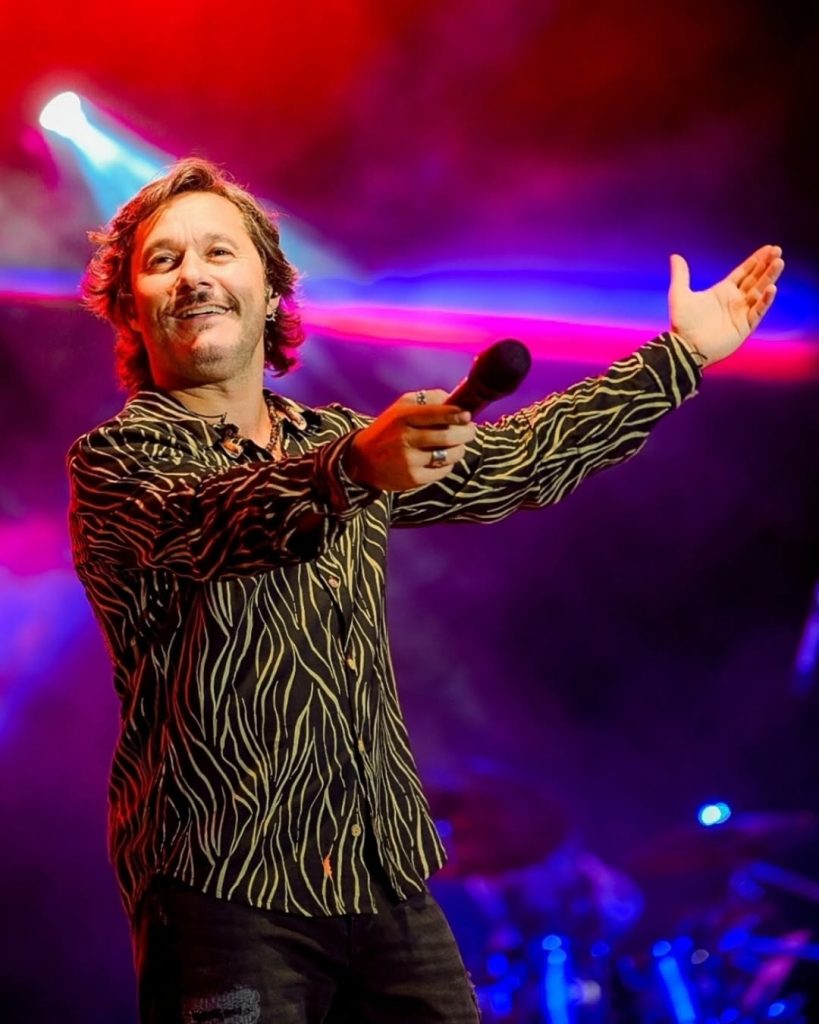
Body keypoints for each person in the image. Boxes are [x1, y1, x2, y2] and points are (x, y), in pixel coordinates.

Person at [67, 157, 783, 1024]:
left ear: (272, 288)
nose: (193, 275)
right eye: (163, 260)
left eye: (219, 251)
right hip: (221, 883)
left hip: (383, 878)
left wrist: (679, 357)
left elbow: (518, 462)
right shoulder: (116, 462)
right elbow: (209, 521)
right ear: (130, 306)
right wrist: (349, 469)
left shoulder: (334, 436)